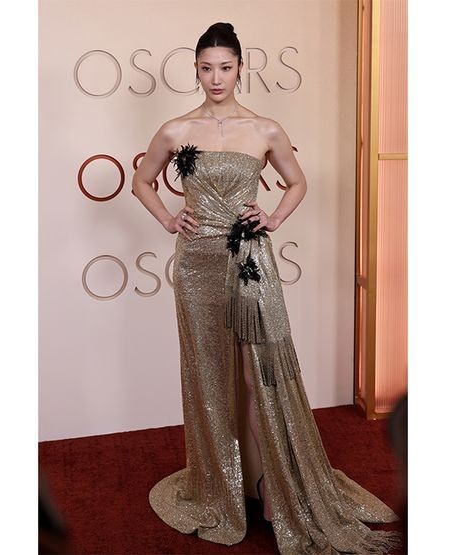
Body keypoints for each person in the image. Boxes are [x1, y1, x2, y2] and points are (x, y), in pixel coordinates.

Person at [132, 22, 402, 555]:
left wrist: (274, 217)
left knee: (262, 374)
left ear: (240, 68)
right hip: (196, 266)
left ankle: (277, 489)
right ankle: (221, 486)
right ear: (195, 70)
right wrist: (167, 219)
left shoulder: (265, 129)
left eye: (225, 67)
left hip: (250, 261)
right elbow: (143, 180)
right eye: (206, 68)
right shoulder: (174, 129)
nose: (216, 78)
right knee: (208, 375)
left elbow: (298, 182)